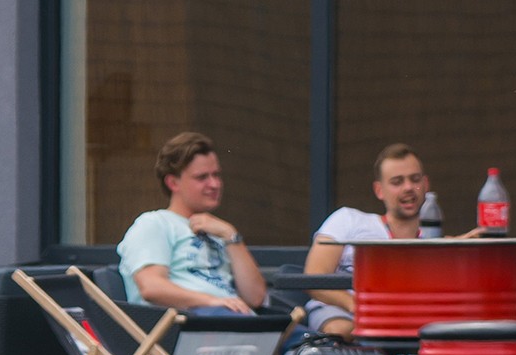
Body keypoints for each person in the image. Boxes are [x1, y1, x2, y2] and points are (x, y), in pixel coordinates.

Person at [302, 143, 478, 337]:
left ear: (426, 184)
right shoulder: (348, 219)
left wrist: (459, 250)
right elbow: (314, 278)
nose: (408, 187)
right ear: (379, 190)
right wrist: (358, 306)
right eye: (397, 182)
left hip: (409, 320)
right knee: (343, 330)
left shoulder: (434, 242)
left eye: (415, 179)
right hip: (343, 313)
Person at [118, 132, 268, 314]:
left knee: (297, 331)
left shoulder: (220, 232)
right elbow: (151, 287)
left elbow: (255, 297)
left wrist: (231, 235)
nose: (214, 184)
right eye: (202, 177)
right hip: (192, 321)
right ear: (173, 183)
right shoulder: (155, 223)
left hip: (235, 319)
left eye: (216, 175)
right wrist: (212, 301)